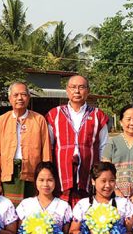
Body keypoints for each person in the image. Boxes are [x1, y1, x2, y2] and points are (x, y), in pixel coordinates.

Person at [46, 75, 109, 205]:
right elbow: (49, 146)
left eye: (81, 87)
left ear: (88, 91)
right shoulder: (54, 114)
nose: (77, 91)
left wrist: (102, 172)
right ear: (67, 90)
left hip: (88, 171)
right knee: (61, 208)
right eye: (73, 87)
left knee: (86, 207)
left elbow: (104, 146)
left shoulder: (98, 115)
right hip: (61, 172)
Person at [0, 82, 51, 204]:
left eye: (23, 94)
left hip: (33, 173)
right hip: (9, 175)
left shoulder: (39, 120)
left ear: (29, 97)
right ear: (9, 98)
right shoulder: (1, 121)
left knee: (32, 210)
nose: (20, 98)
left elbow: (46, 151)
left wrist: (46, 178)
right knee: (9, 209)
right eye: (16, 95)